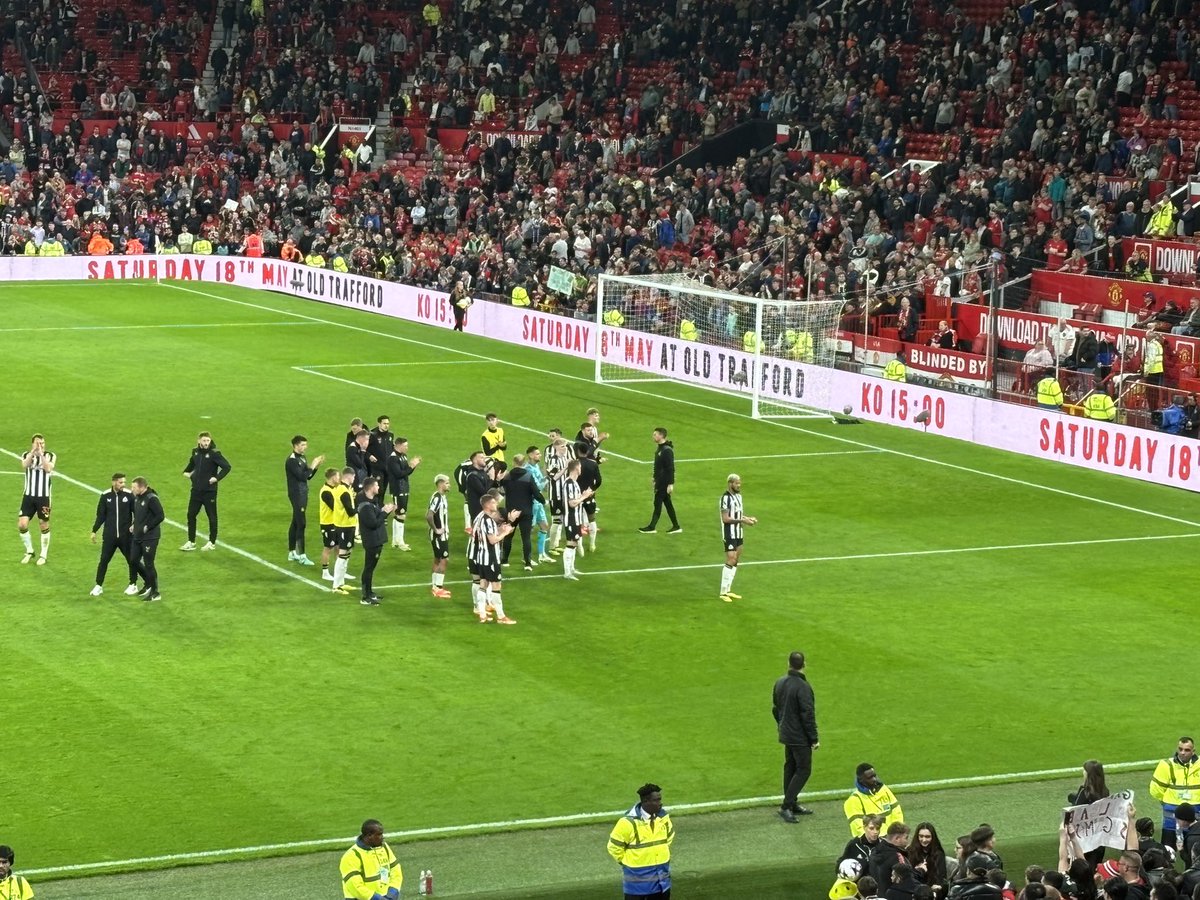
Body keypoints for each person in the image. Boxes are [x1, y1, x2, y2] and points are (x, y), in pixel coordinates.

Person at [773, 650, 819, 822]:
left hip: (786, 733)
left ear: (788, 663)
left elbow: (776, 708)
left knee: (790, 767)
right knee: (803, 770)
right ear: (804, 664)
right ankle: (786, 806)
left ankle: (792, 803)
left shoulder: (779, 682)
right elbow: (808, 714)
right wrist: (813, 738)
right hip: (799, 737)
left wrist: (781, 726)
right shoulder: (803, 687)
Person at [607, 783, 674, 899]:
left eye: (660, 799)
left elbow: (669, 838)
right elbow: (614, 848)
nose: (660, 803)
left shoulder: (664, 818)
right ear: (646, 801)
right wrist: (628, 863)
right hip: (638, 889)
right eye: (656, 800)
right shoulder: (627, 823)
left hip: (662, 884)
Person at [469, 493, 516, 624]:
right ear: (488, 505)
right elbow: (492, 540)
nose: (496, 504)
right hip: (490, 557)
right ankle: (501, 617)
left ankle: (482, 614)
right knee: (496, 586)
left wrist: (500, 529)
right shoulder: (488, 520)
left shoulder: (479, 517)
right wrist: (505, 533)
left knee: (483, 584)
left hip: (481, 556)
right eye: (494, 502)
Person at [180, 431, 231, 551]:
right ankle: (191, 542)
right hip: (196, 491)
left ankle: (211, 542)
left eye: (208, 441)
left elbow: (227, 467)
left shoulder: (214, 454)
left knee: (212, 517)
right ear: (199, 441)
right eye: (204, 441)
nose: (206, 443)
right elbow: (192, 464)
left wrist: (217, 478)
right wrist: (186, 473)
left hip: (209, 492)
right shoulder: (195, 452)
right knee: (191, 515)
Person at [90, 472, 138, 597]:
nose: (123, 485)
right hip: (109, 536)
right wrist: (94, 530)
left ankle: (133, 584)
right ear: (114, 482)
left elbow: (137, 512)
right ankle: (98, 586)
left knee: (131, 560)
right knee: (103, 561)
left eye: (124, 482)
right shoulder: (105, 496)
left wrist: (134, 524)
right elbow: (101, 516)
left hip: (126, 536)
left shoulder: (129, 495)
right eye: (120, 482)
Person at [1150, 736, 1199, 847]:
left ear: (1193, 751)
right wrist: (1166, 803)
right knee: (1168, 850)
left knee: (1196, 850)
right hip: (1172, 816)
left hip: (1195, 815)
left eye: (1187, 750)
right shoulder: (1166, 765)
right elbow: (1155, 790)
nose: (1182, 753)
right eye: (1180, 749)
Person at [338, 819, 402, 900]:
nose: (383, 837)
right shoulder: (351, 856)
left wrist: (392, 893)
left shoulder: (384, 847)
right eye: (379, 834)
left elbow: (396, 870)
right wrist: (377, 898)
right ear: (369, 836)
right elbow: (355, 886)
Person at [286, 435, 325, 566]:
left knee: (295, 522)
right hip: (296, 494)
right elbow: (302, 476)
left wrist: (316, 466)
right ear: (295, 446)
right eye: (302, 445)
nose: (305, 447)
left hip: (303, 494)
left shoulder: (302, 457)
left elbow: (308, 477)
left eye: (305, 445)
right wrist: (312, 465)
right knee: (301, 523)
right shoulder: (291, 461)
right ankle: (302, 555)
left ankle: (292, 553)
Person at [501, 453, 543, 570]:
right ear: (524, 463)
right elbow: (536, 493)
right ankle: (528, 563)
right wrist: (543, 500)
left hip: (511, 512)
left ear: (514, 462)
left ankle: (505, 560)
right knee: (526, 537)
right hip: (526, 511)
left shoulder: (507, 476)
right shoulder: (528, 476)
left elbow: (501, 489)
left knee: (508, 536)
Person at [18, 433, 55, 565]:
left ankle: (43, 554)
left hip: (43, 497)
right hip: (28, 496)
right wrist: (33, 453)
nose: (41, 446)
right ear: (33, 444)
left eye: (43, 443)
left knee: (43, 524)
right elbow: (24, 465)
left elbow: (48, 469)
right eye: (38, 443)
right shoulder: (26, 454)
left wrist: (41, 456)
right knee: (22, 524)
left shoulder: (50, 455)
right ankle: (29, 551)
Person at [356, 477, 394, 606]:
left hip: (377, 539)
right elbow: (373, 523)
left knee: (371, 568)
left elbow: (377, 516)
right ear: (371, 488)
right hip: (372, 541)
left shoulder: (372, 501)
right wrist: (385, 513)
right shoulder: (366, 506)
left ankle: (369, 592)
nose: (379, 487)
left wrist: (384, 511)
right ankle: (365, 597)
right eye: (377, 485)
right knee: (368, 568)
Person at [719, 473, 757, 602]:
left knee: (736, 559)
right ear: (730, 483)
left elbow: (739, 514)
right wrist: (743, 521)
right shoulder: (725, 498)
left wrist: (748, 518)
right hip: (729, 532)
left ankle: (729, 590)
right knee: (731, 558)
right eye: (736, 483)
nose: (739, 485)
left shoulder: (739, 497)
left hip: (739, 532)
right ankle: (723, 592)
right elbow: (725, 518)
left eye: (739, 483)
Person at [1068, 760, 1111, 868]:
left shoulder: (1084, 792)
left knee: (1082, 869)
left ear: (1088, 774)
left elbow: (1075, 813)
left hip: (1084, 839)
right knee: (1094, 867)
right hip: (1099, 838)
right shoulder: (1105, 792)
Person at [324, 467, 359, 595]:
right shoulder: (343, 491)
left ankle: (341, 582)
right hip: (345, 525)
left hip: (346, 525)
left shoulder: (342, 489)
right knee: (343, 555)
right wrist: (360, 508)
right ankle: (336, 586)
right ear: (349, 476)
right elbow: (350, 511)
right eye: (353, 477)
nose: (354, 479)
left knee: (346, 554)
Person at [845, 763, 905, 837]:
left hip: (892, 838)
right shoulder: (854, 801)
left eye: (874, 776)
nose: (874, 779)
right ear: (861, 780)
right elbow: (858, 829)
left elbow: (897, 812)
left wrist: (897, 833)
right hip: (873, 844)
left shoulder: (884, 790)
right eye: (869, 777)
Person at [639, 427, 680, 533]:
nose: (653, 436)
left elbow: (670, 468)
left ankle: (652, 527)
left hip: (664, 482)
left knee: (657, 503)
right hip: (660, 481)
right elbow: (657, 466)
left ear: (661, 435)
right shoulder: (660, 449)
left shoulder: (666, 450)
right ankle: (676, 526)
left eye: (655, 434)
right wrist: (654, 478)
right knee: (668, 504)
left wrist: (671, 484)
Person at [130, 476, 164, 602]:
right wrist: (134, 524)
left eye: (133, 487)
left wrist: (147, 527)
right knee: (133, 560)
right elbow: (139, 514)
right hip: (138, 535)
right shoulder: (137, 497)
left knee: (149, 564)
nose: (131, 489)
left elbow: (160, 516)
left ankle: (155, 592)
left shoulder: (152, 499)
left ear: (141, 487)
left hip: (150, 537)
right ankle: (148, 583)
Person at [384, 437, 420, 550]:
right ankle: (400, 542)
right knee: (401, 514)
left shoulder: (403, 456)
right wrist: (411, 466)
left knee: (399, 514)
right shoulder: (393, 459)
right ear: (398, 446)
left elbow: (406, 473)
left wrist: (412, 466)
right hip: (397, 489)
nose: (407, 447)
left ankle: (395, 541)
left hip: (404, 488)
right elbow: (399, 474)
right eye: (405, 445)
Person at [561, 459, 593, 581]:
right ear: (576, 468)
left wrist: (583, 495)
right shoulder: (569, 483)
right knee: (570, 544)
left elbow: (575, 500)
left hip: (576, 518)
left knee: (574, 543)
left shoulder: (574, 483)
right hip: (571, 518)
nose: (581, 469)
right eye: (580, 467)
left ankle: (572, 568)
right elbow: (572, 503)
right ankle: (567, 572)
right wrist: (584, 497)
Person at [425, 474, 452, 598]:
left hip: (442, 535)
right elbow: (429, 515)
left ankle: (435, 587)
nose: (449, 485)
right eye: (447, 483)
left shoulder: (442, 497)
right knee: (444, 559)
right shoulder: (437, 498)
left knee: (437, 558)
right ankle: (438, 587)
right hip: (439, 536)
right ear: (441, 484)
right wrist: (436, 530)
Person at [907, 822, 949, 898]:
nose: (924, 840)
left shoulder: (938, 854)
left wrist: (937, 887)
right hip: (913, 891)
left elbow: (941, 876)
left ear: (932, 837)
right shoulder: (910, 851)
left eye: (927, 837)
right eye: (921, 836)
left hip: (932, 893)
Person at [869, 823, 911, 888]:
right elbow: (907, 881)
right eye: (906, 838)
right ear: (897, 839)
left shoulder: (874, 852)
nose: (908, 841)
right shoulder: (898, 857)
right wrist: (920, 871)